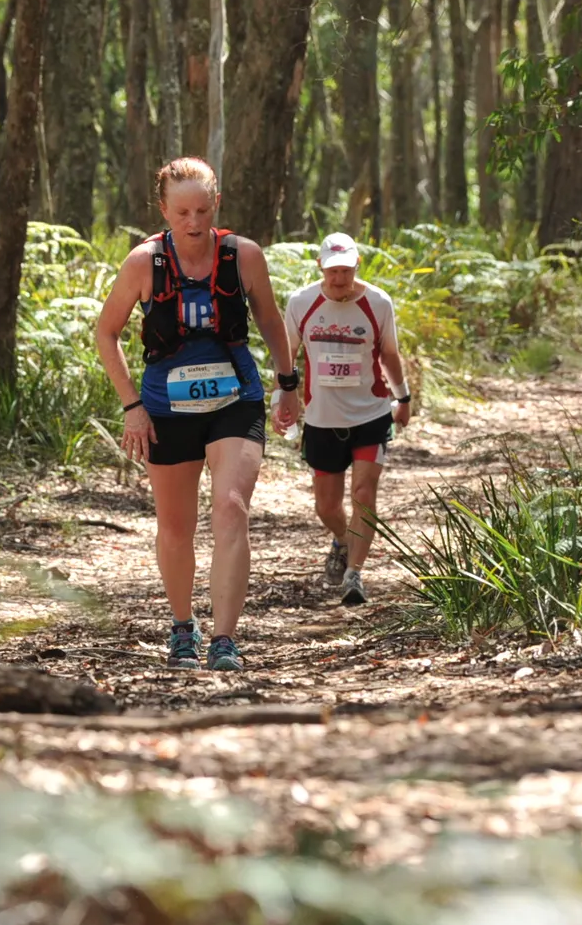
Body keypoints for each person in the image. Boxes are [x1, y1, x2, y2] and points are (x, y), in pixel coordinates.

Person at [95, 158, 300, 671]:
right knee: (176, 524)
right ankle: (182, 627)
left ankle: (225, 639)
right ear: (163, 209)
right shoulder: (144, 263)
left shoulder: (242, 256)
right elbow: (106, 333)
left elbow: (271, 320)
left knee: (231, 507)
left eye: (202, 210)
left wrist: (288, 382)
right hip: (165, 408)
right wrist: (132, 407)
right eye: (181, 211)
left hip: (236, 399)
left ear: (217, 205)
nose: (193, 222)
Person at [275, 233, 412, 607]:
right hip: (322, 418)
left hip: (370, 413)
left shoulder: (377, 303)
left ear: (357, 267)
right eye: (333, 271)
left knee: (364, 494)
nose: (340, 279)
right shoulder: (302, 303)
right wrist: (279, 398)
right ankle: (342, 539)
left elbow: (390, 354)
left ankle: (354, 574)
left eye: (346, 271)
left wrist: (404, 397)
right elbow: (287, 356)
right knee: (327, 507)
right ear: (321, 267)